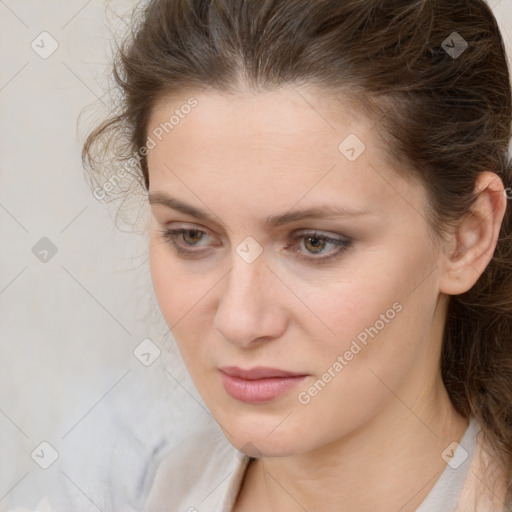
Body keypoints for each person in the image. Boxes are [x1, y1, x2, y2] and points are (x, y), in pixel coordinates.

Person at [82, 0, 512, 510]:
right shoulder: (151, 483)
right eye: (192, 236)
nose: (239, 322)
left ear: (466, 236)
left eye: (315, 243)